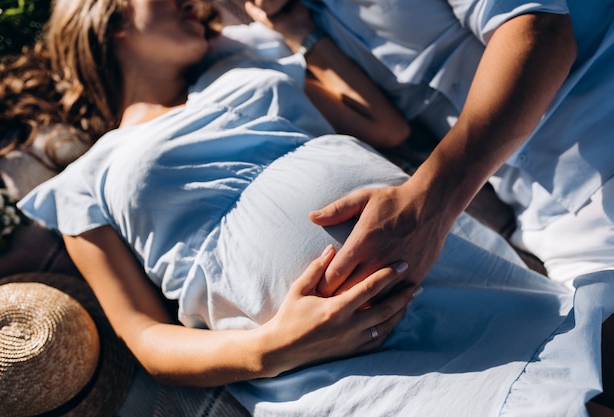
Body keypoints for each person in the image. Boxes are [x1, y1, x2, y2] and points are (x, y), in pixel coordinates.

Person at [0, 0, 614, 416]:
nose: (199, 3)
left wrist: (293, 26)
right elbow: (147, 339)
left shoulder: (247, 61)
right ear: (105, 18)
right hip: (320, 352)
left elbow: (385, 126)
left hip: (430, 264)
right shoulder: (80, 181)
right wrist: (272, 348)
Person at [242, 0, 614, 294]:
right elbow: (385, 126)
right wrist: (300, 32)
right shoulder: (304, 20)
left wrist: (427, 206)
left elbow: (541, 33)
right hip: (551, 220)